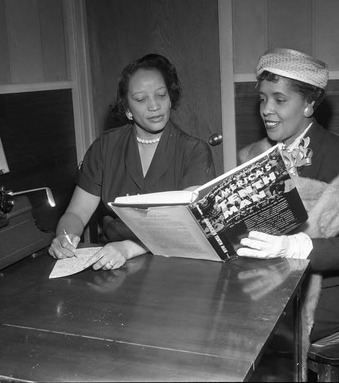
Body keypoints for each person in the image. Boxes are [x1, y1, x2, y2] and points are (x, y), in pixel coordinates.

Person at [236, 48, 339, 373]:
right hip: (275, 275)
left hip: (337, 285)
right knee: (217, 312)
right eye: (262, 99)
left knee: (256, 328)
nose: (266, 109)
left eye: (279, 100)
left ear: (309, 104)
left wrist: (296, 246)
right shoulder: (257, 157)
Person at [49, 53, 216, 270]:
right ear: (127, 108)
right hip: (114, 264)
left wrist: (128, 248)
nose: (154, 106)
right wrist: (65, 238)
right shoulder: (105, 147)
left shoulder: (194, 151)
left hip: (177, 264)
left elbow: (187, 226)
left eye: (161, 95)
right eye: (140, 99)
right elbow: (76, 213)